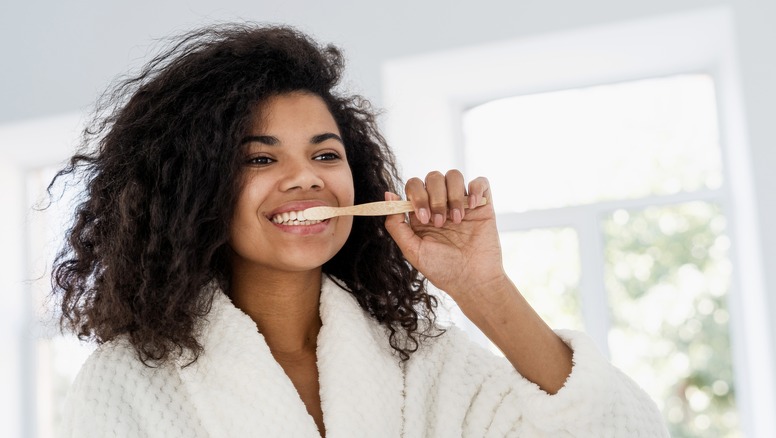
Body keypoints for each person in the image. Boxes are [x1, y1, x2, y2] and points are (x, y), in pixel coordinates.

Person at [52, 23, 668, 437]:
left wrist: (482, 287)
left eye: (325, 155)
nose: (306, 179)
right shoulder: (127, 381)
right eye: (261, 159)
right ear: (193, 190)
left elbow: (620, 430)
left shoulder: (419, 360)